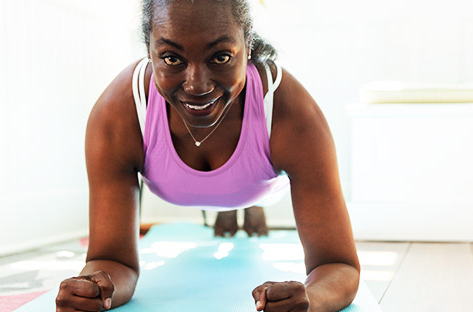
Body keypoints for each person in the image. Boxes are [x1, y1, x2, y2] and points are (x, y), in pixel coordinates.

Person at [55, 0, 360, 311]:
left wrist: (313, 298)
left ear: (248, 43)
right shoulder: (119, 114)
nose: (196, 85)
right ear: (148, 51)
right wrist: (97, 287)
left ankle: (249, 205)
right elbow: (111, 260)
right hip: (206, 175)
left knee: (250, 198)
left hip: (260, 183)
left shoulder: (290, 113)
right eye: (172, 58)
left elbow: (338, 264)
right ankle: (229, 203)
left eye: (221, 57)